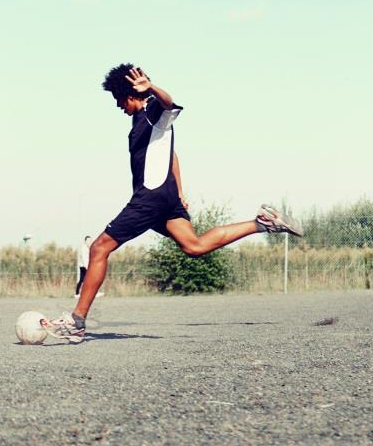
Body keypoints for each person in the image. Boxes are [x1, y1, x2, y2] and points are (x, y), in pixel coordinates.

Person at [53, 63, 301, 345]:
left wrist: (152, 88)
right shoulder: (143, 122)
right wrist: (179, 191)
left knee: (99, 248)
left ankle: (77, 321)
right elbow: (173, 156)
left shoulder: (152, 111)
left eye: (118, 99)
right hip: (166, 197)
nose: (118, 106)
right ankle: (262, 223)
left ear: (130, 94)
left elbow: (169, 102)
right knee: (193, 246)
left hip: (149, 199)